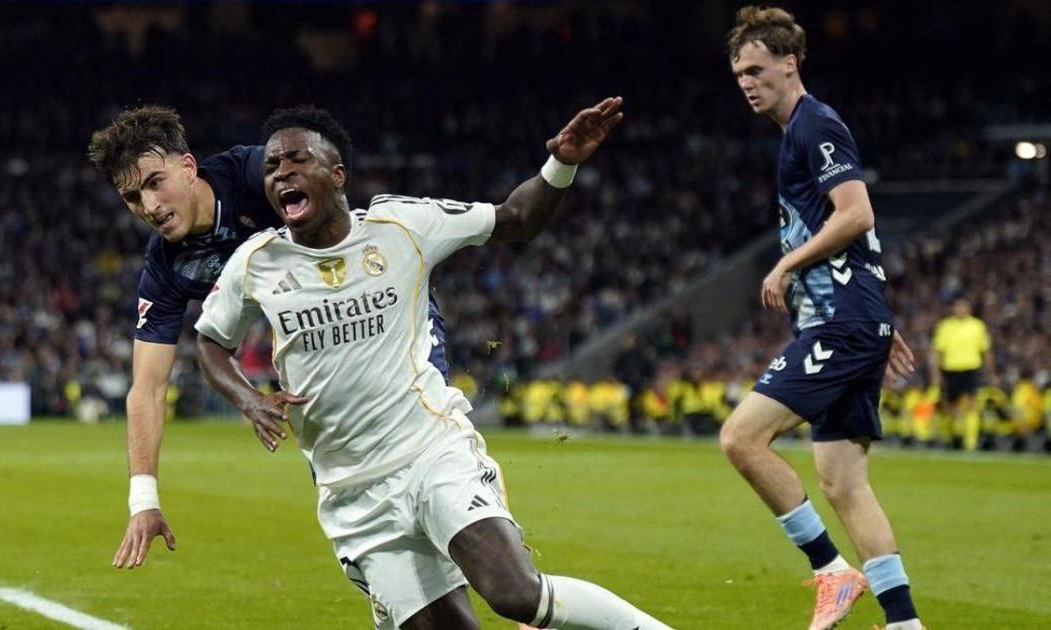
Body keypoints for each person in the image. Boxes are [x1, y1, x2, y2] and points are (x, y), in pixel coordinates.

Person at [194, 100, 671, 630]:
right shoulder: (256, 262)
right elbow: (210, 340)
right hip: (352, 493)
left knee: (516, 594)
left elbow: (516, 218)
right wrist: (248, 398)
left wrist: (561, 163)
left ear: (337, 174)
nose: (281, 171)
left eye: (296, 160)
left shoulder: (402, 225)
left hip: (431, 453)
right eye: (271, 166)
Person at [86, 106, 456, 570]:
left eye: (155, 182)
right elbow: (148, 387)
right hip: (318, 346)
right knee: (349, 478)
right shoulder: (166, 266)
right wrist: (143, 500)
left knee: (426, 449)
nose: (150, 206)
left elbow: (336, 200)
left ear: (188, 167)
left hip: (383, 310)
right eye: (132, 197)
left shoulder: (257, 175)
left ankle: (494, 553)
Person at [718, 7, 923, 630]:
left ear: (790, 63)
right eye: (739, 74)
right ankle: (906, 623)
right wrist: (876, 315)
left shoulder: (815, 124)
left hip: (840, 324)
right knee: (843, 484)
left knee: (741, 439)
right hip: (852, 321)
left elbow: (857, 213)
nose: (747, 83)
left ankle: (831, 570)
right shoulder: (796, 133)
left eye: (756, 70)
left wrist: (786, 264)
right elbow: (857, 242)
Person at [930, 297, 993, 450]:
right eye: (957, 306)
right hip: (951, 368)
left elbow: (986, 350)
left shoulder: (977, 326)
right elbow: (937, 351)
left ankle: (970, 441)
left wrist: (990, 370)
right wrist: (936, 373)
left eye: (963, 306)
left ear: (969, 309)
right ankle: (953, 437)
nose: (960, 309)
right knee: (950, 406)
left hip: (971, 367)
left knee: (972, 403)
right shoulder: (945, 326)